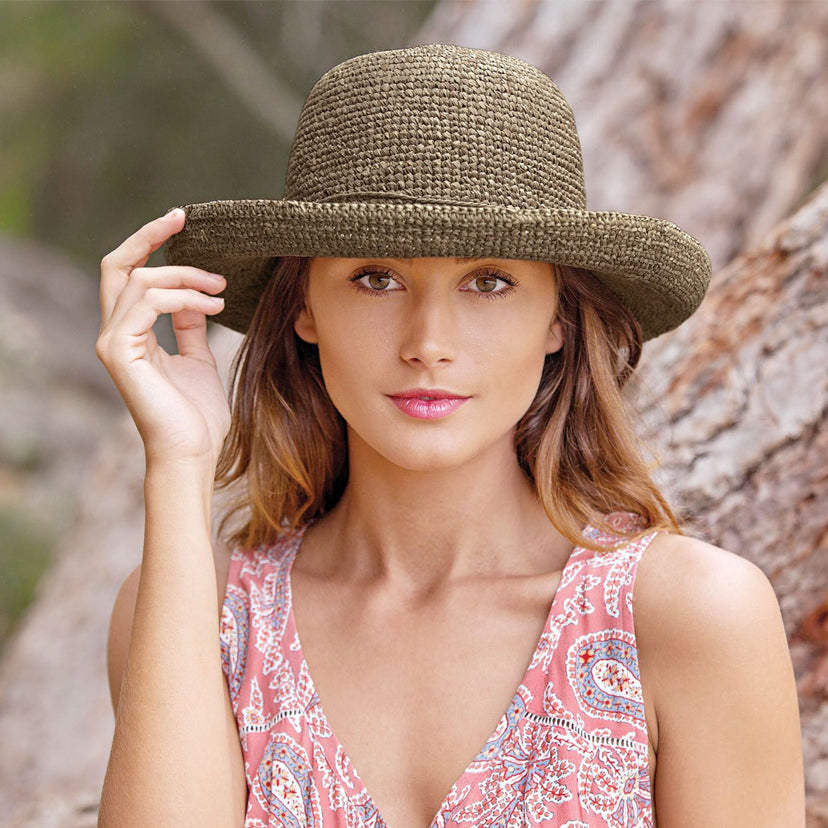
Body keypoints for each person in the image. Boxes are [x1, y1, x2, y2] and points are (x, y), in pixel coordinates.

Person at [95, 44, 804, 827]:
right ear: (305, 309)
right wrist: (178, 461)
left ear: (559, 319)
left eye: (489, 282)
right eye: (376, 278)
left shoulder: (690, 616)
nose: (428, 340)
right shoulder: (200, 612)